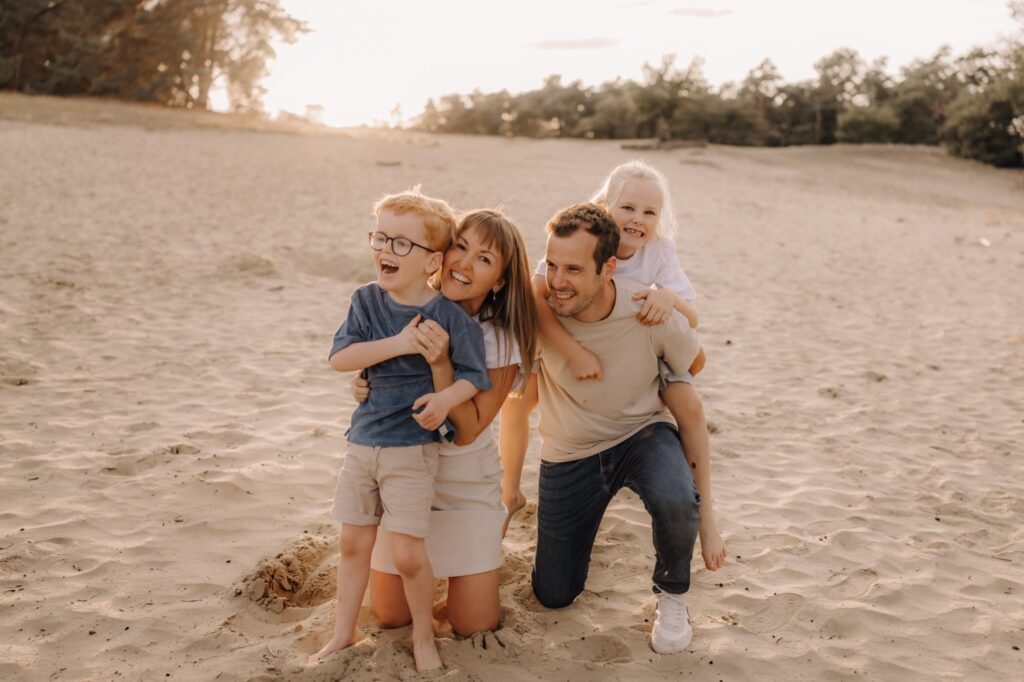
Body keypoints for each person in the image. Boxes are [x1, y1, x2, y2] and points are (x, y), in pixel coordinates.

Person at [311, 189, 492, 673]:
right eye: (380, 238)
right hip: (361, 443)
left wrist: (445, 398)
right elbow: (339, 359)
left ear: (433, 260)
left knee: (411, 554)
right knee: (353, 543)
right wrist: (397, 343)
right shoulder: (366, 301)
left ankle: (422, 636)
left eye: (400, 244)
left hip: (412, 450)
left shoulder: (450, 316)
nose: (385, 251)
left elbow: (476, 377)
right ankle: (343, 633)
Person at [514, 202, 706, 653]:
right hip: (569, 451)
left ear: (608, 269)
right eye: (553, 266)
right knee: (554, 595)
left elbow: (693, 362)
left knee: (677, 499)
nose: (558, 282)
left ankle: (672, 593)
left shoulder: (646, 309)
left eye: (575, 269)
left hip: (641, 435)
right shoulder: (541, 314)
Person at [523, 160, 726, 572]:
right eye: (628, 208)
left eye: (650, 213)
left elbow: (692, 317)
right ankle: (511, 487)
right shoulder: (582, 242)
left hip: (654, 347)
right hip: (583, 398)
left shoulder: (659, 251)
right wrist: (570, 351)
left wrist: (665, 297)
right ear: (604, 205)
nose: (638, 220)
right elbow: (537, 291)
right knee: (523, 390)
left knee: (686, 402)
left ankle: (705, 515)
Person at [353, 208, 537, 636]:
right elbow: (374, 365)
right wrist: (362, 387)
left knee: (473, 625)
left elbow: (469, 428)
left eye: (485, 259)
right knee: (390, 617)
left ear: (501, 281)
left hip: (463, 482)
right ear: (441, 252)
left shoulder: (498, 338)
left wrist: (440, 365)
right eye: (461, 246)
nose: (464, 263)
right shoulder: (405, 299)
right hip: (403, 471)